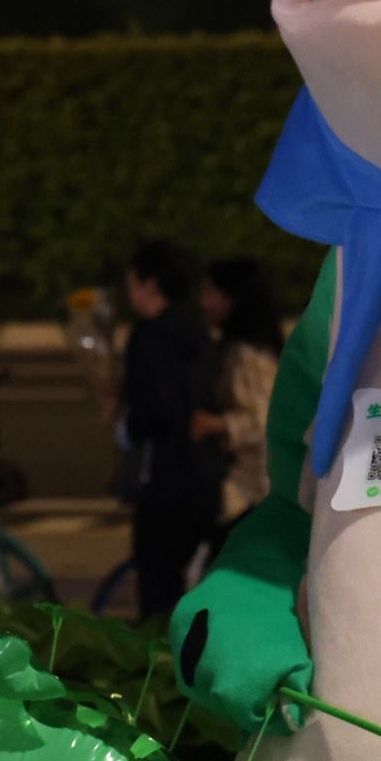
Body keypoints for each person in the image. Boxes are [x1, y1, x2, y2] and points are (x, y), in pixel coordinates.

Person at [117, 239, 224, 620]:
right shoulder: (197, 334)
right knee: (190, 584)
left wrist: (126, 422)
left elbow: (153, 411)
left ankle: (159, 667)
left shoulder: (148, 336)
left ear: (149, 284)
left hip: (163, 477)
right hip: (203, 475)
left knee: (157, 588)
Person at [192, 256, 286, 524]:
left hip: (252, 490)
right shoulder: (254, 348)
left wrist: (216, 425)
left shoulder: (247, 356)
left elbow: (265, 420)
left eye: (211, 292)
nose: (204, 303)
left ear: (234, 297)